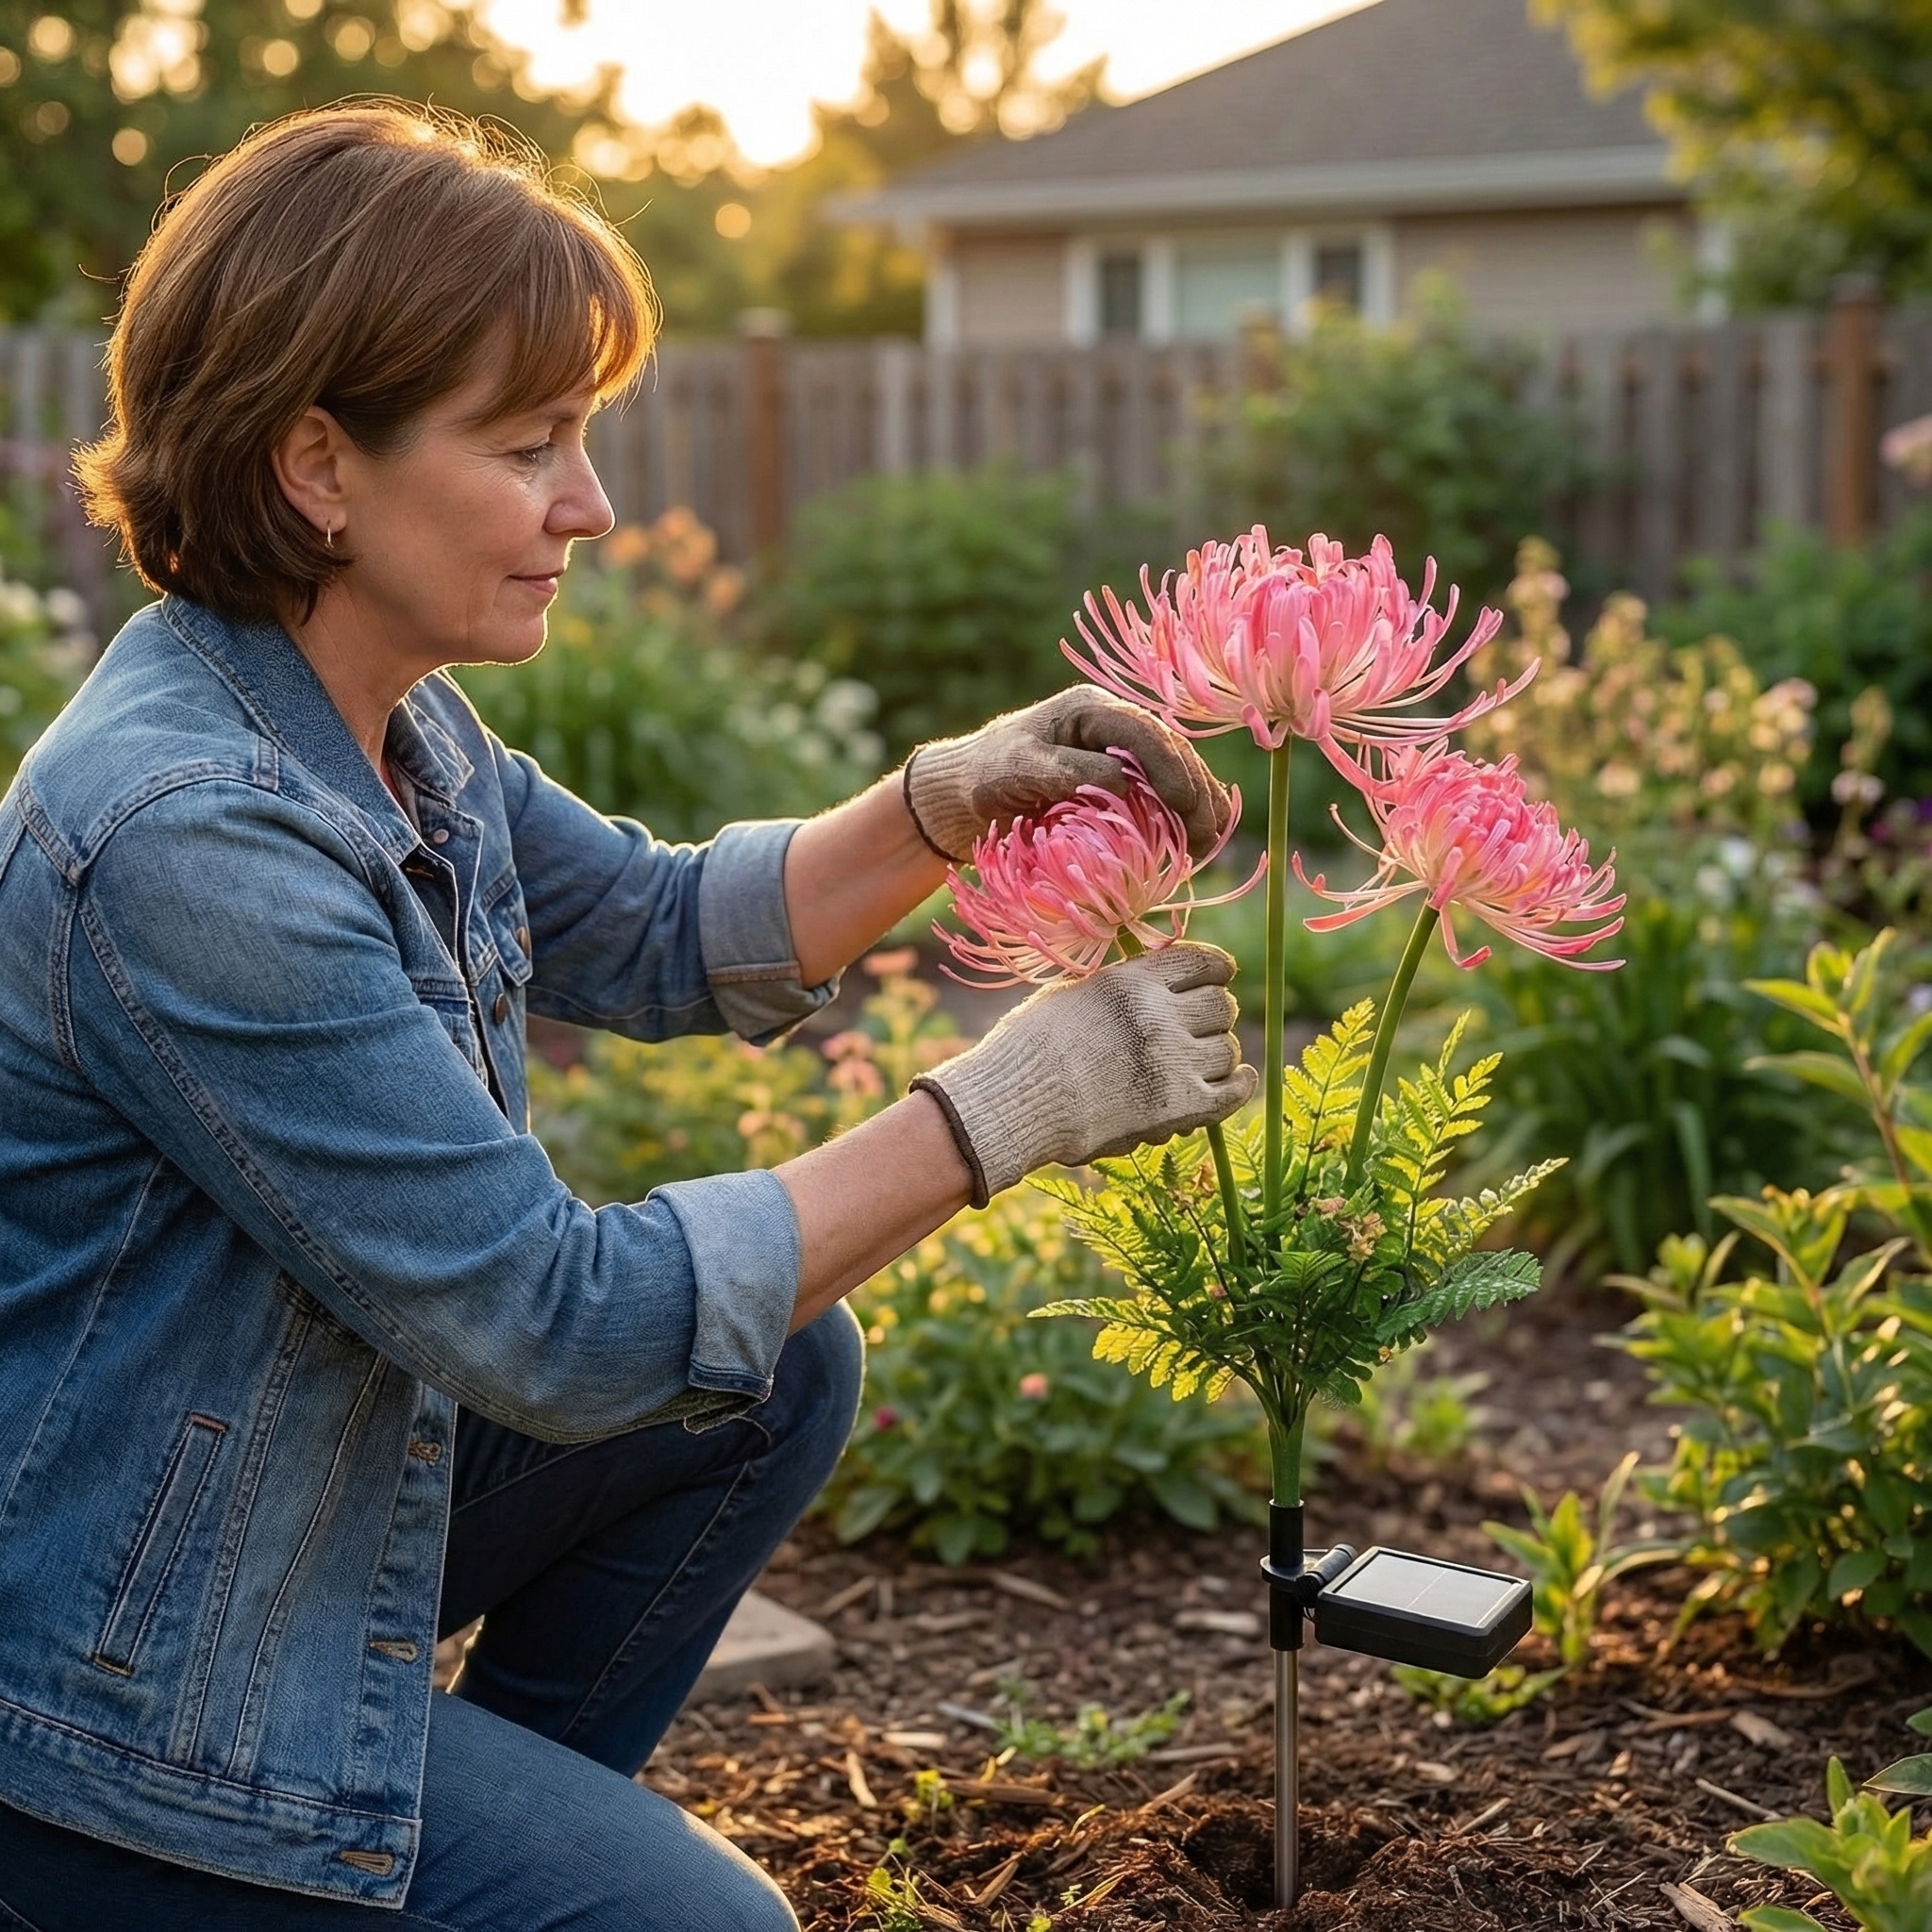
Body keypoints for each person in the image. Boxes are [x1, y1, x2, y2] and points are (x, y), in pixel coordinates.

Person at [0, 106, 1255, 1931]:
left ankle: (416, 1877)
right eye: (529, 448)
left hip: (251, 1519)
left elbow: (660, 923)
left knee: (770, 1377)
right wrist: (1005, 1113)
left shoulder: (378, 719)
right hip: (107, 1682)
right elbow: (552, 1326)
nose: (590, 505)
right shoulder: (197, 839)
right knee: (714, 1930)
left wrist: (948, 798)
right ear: (315, 466)